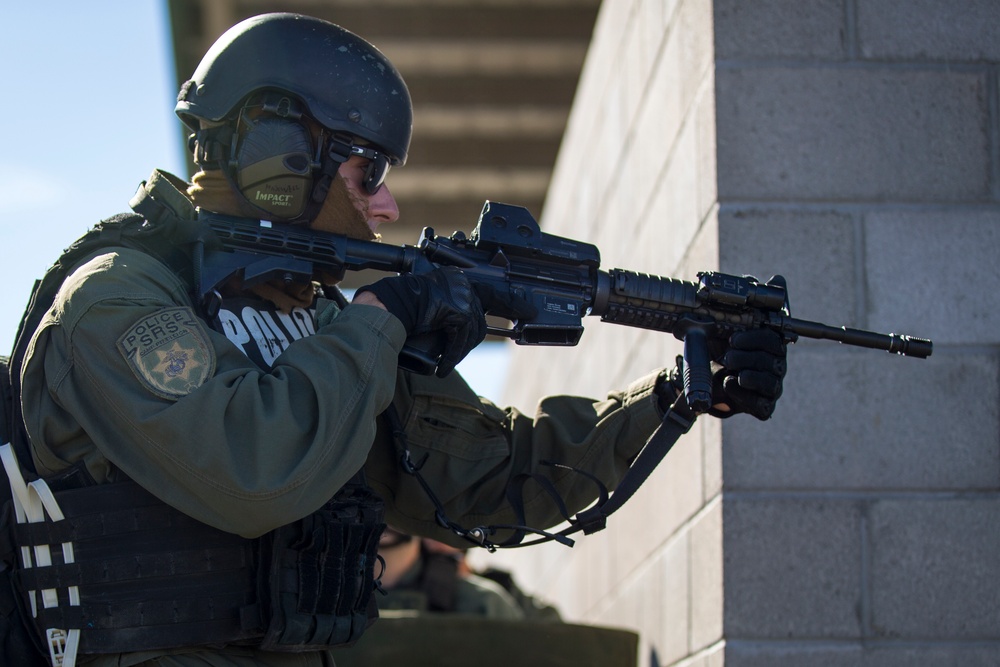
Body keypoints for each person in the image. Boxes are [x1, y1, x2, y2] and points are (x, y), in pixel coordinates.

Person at [0, 12, 787, 667]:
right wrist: (381, 317)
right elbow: (251, 469)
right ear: (285, 154)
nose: (385, 204)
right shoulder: (115, 300)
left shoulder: (326, 324)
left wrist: (672, 395)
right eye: (367, 170)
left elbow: (488, 481)